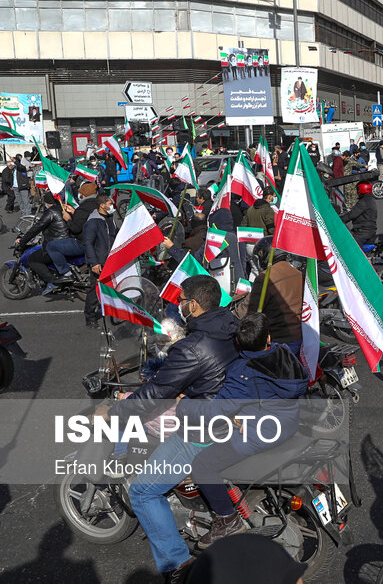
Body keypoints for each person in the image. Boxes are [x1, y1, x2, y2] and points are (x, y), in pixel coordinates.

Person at [116, 276, 239, 581]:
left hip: (203, 428)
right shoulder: (231, 324)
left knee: (143, 492)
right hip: (234, 413)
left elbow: (156, 393)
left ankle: (178, 567)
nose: (179, 305)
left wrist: (119, 410)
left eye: (182, 300)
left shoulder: (191, 347)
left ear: (193, 305)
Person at [178, 313, 309, 548]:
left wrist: (184, 403)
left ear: (237, 343)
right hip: (288, 423)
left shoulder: (243, 372)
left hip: (260, 433)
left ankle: (227, 519)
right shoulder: (284, 352)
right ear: (268, 337)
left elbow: (216, 411)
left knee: (202, 465)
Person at [247, 238, 304, 349]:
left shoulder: (265, 277)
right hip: (300, 336)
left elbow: (252, 311)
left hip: (279, 340)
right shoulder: (298, 273)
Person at [14, 192, 70, 295]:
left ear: (47, 202)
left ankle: (52, 282)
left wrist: (22, 241)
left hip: (56, 245)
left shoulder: (50, 213)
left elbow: (36, 228)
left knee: (33, 259)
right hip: (67, 242)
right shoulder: (63, 209)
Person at [82, 195, 117, 327]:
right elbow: (88, 243)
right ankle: (90, 317)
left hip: (110, 259)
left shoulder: (109, 218)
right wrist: (94, 262)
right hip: (100, 261)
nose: (112, 206)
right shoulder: (93, 222)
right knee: (94, 290)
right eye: (110, 203)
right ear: (102, 205)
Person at [341, 180, 377, 245]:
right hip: (369, 230)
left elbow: (351, 215)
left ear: (361, 189)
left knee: (348, 245)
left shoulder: (363, 202)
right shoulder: (371, 200)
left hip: (362, 233)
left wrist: (338, 219)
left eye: (358, 189)